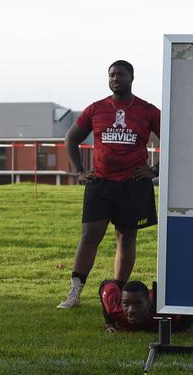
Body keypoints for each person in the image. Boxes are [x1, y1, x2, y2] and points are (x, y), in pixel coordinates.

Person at [58, 60, 160, 309]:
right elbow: (71, 138)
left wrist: (153, 170)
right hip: (100, 183)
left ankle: (117, 293)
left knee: (126, 237)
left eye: (121, 75)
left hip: (133, 184)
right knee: (90, 235)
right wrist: (80, 171)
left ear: (131, 78)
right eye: (112, 75)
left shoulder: (148, 111)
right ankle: (74, 291)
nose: (116, 79)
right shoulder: (96, 109)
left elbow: (174, 141)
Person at [98, 280, 193, 332]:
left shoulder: (165, 311)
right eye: (126, 304)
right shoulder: (114, 308)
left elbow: (189, 295)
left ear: (149, 303)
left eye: (137, 304)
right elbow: (106, 284)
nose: (131, 310)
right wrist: (109, 323)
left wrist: (183, 326)